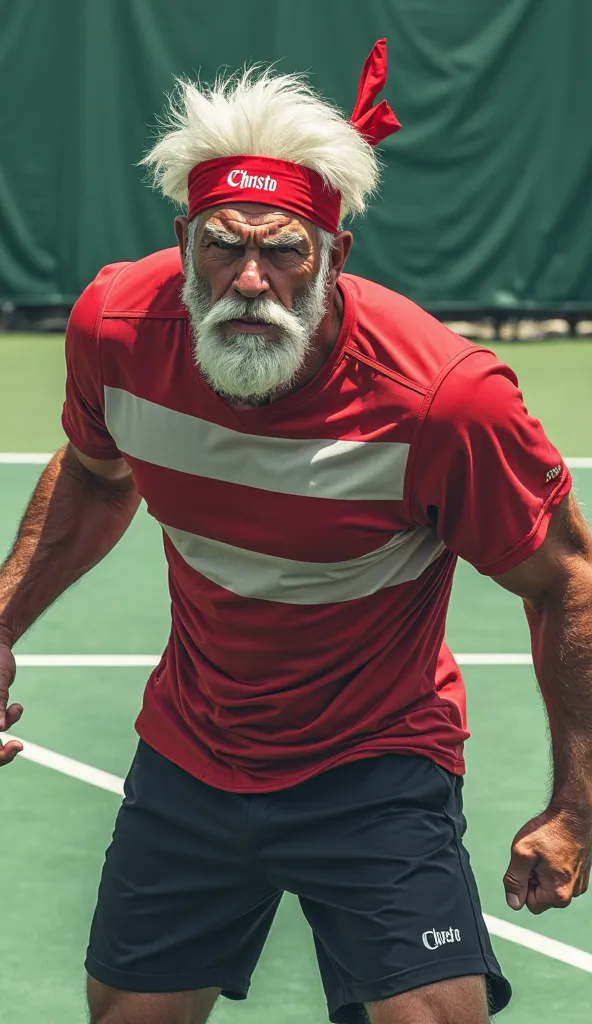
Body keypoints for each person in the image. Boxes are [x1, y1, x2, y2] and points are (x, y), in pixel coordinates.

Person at [1, 38, 592, 1024]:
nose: (248, 280)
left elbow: (563, 578)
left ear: (333, 256)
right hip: (191, 751)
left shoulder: (443, 403)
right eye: (222, 246)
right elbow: (98, 480)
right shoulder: (116, 328)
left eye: (282, 250)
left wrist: (576, 804)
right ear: (182, 239)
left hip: (375, 762)